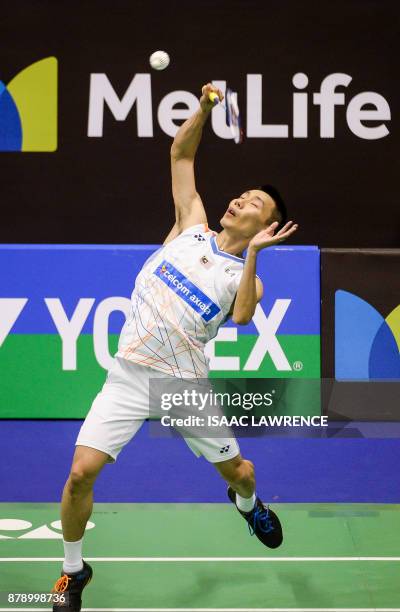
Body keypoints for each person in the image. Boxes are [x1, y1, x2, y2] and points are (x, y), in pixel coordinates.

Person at [50, 83, 298, 611]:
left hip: (184, 388)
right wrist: (205, 108)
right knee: (78, 475)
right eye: (242, 193)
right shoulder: (191, 226)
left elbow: (243, 315)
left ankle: (247, 505)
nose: (239, 200)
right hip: (129, 375)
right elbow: (180, 152)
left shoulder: (245, 277)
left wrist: (253, 253)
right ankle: (74, 572)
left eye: (254, 203)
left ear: (266, 225)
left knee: (241, 474)